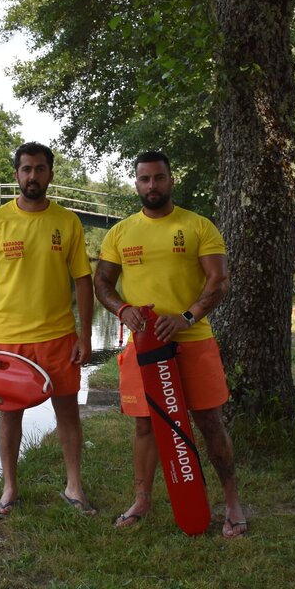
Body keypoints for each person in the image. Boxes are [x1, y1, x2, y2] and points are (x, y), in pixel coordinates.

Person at [94, 151, 246, 538]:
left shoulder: (198, 226)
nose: (152, 186)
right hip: (144, 348)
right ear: (136, 184)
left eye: (159, 178)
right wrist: (122, 308)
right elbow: (103, 283)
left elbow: (220, 281)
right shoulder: (121, 233)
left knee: (209, 422)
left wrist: (187, 317)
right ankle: (142, 500)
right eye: (144, 179)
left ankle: (231, 502)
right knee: (145, 425)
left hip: (192, 342)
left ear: (170, 180)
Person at [0, 141, 96, 519]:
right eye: (26, 169)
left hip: (58, 336)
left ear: (50, 174)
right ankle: (9, 489)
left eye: (40, 168)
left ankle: (74, 487)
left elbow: (83, 281)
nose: (32, 175)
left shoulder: (67, 222)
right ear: (17, 174)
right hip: (8, 338)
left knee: (68, 410)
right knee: (10, 414)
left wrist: (85, 336)